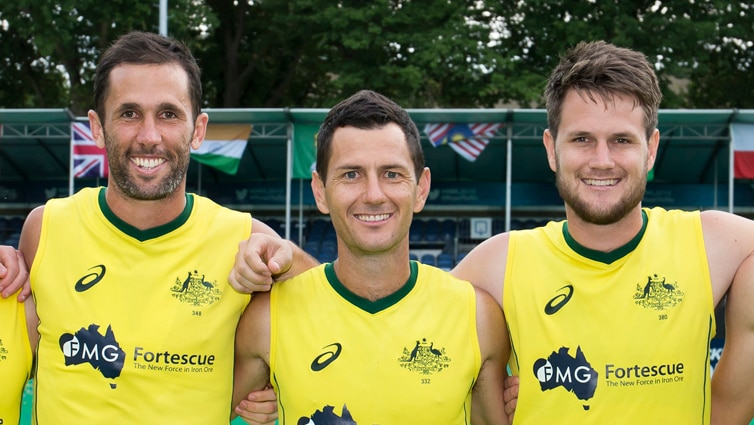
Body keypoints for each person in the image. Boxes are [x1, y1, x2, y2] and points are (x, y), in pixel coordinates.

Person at [231, 41, 754, 424]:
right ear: (551, 148)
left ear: (653, 148)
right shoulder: (501, 262)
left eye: (621, 140)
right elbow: (381, 301)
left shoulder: (712, 242)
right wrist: (284, 268)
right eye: (581, 139)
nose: (601, 160)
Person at [15, 30, 305, 424]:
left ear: (198, 130)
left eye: (168, 114)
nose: (149, 137)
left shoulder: (245, 240)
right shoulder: (45, 227)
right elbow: (18, 354)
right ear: (98, 128)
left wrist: (286, 259)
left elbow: (331, 303)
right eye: (129, 113)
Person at [231, 89, 510, 425]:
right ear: (320, 191)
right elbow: (210, 410)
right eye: (351, 174)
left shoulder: (478, 317)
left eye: (392, 174)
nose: (374, 195)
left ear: (421, 189)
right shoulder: (267, 319)